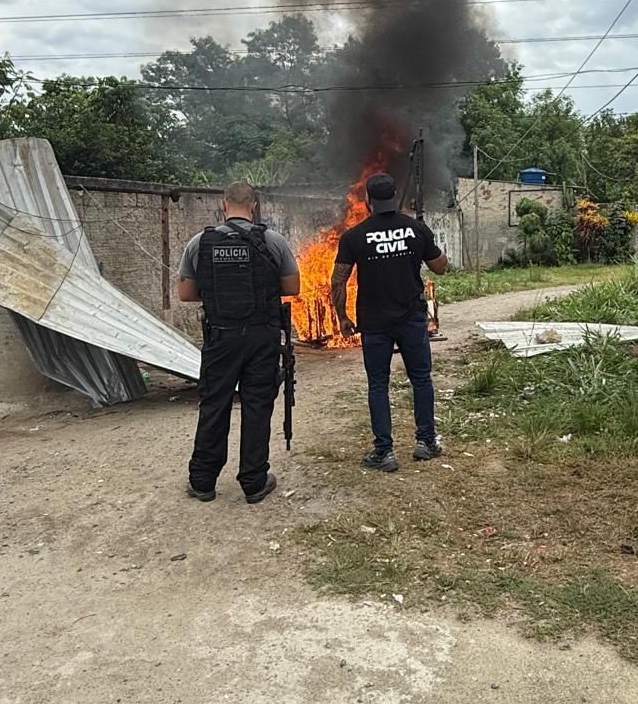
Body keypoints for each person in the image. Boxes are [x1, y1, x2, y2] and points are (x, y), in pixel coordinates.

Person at [178, 182, 300, 504]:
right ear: (254, 205)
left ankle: (203, 482)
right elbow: (292, 286)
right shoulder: (272, 241)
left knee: (215, 403)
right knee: (258, 405)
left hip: (221, 336)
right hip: (262, 336)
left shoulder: (199, 243)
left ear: (223, 204)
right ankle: (254, 482)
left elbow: (186, 294)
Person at [330, 172, 448, 472]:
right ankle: (426, 442)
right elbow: (440, 267)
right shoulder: (416, 229)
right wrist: (425, 245)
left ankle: (384, 452)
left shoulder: (354, 236)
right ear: (395, 197)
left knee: (378, 385)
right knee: (421, 379)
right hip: (411, 318)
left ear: (367, 200)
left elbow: (339, 280)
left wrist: (342, 316)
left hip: (374, 323)